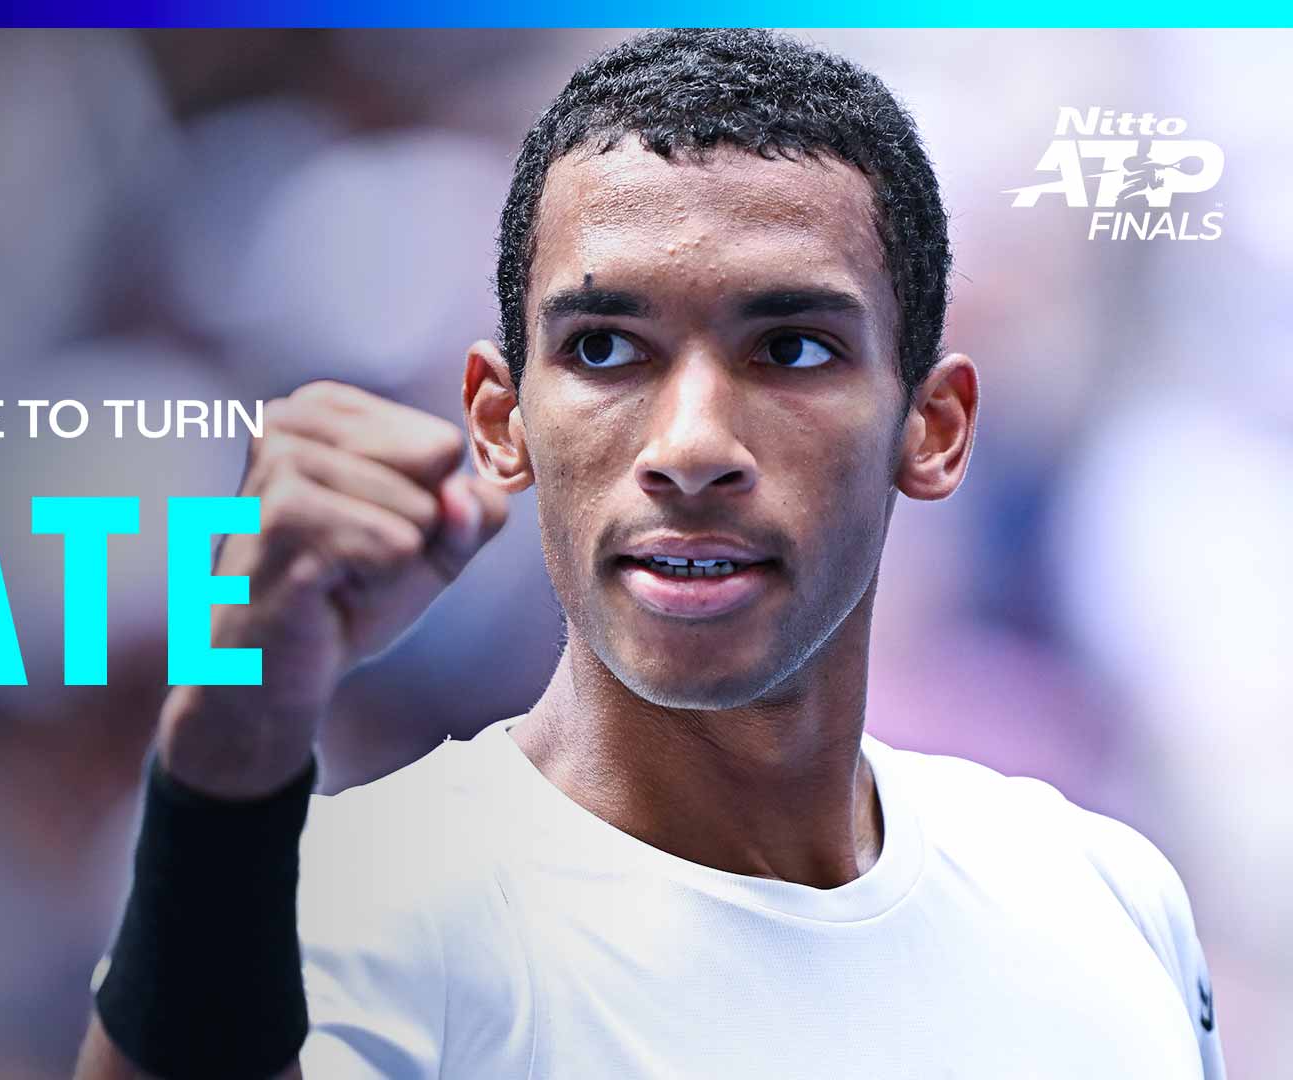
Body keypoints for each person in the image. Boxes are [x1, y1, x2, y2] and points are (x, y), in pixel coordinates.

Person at [75, 29, 1227, 1079]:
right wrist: (231, 747)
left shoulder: (1105, 897)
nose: (690, 448)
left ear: (934, 429)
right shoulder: (351, 914)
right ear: (499, 422)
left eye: (791, 347)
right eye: (605, 348)